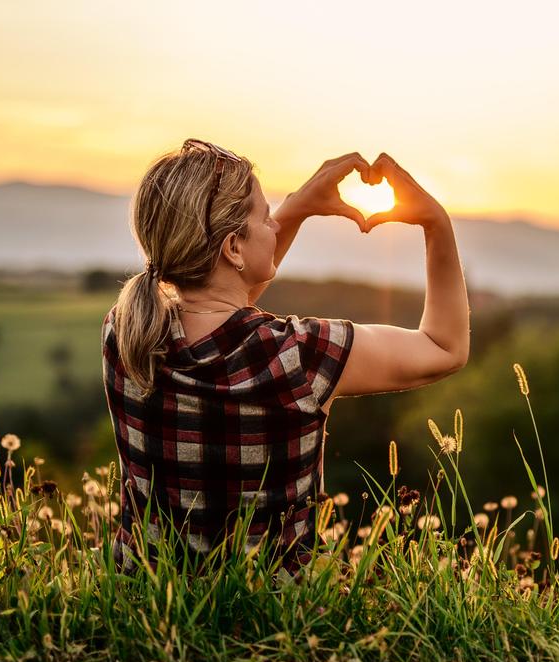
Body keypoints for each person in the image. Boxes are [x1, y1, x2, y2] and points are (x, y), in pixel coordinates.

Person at [100, 138, 470, 579]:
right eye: (265, 216)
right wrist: (436, 223)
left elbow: (222, 313)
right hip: (279, 611)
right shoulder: (299, 356)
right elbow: (444, 348)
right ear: (233, 248)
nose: (275, 226)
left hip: (150, 597)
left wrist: (297, 207)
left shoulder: (125, 333)